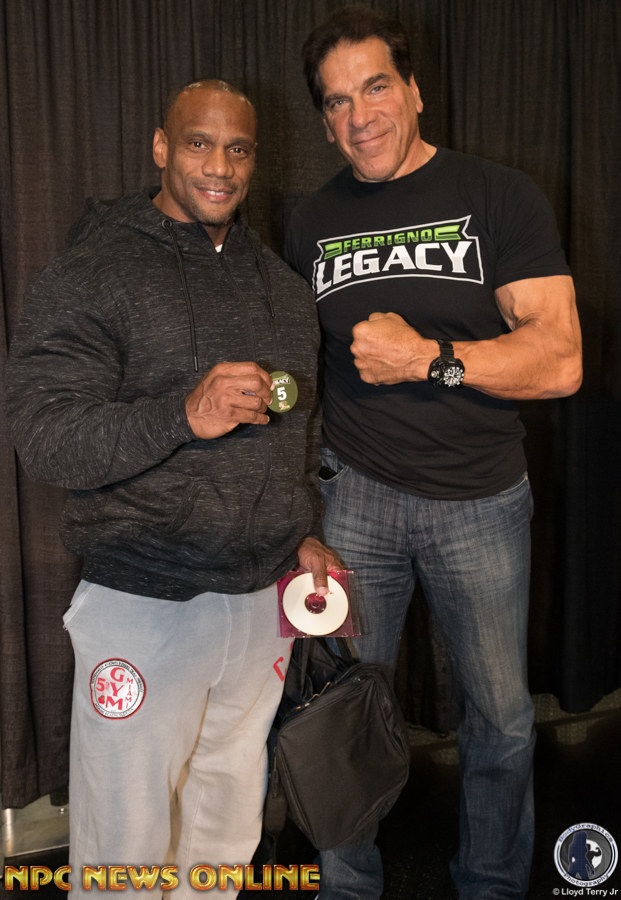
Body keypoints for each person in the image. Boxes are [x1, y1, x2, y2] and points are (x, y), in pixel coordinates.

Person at [6, 79, 338, 898]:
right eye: (198, 143)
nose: (218, 166)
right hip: (142, 603)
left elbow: (295, 436)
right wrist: (181, 415)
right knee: (125, 847)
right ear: (161, 147)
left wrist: (299, 527)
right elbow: (45, 437)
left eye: (237, 148)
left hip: (257, 607)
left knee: (225, 832)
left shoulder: (282, 289)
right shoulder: (90, 272)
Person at [285, 8, 582, 899]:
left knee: (501, 720)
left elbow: (560, 359)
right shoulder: (309, 221)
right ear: (323, 120)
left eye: (376, 87)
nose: (359, 116)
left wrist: (430, 360)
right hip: (353, 500)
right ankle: (348, 886)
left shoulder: (498, 195)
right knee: (340, 715)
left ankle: (490, 882)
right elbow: (296, 376)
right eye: (337, 101)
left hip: (480, 501)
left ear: (413, 91)